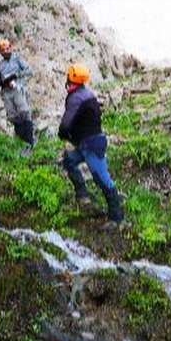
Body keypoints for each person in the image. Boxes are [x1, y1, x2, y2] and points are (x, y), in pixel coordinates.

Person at [58, 63, 125, 230]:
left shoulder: (75, 98)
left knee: (102, 180)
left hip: (91, 145)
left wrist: (64, 136)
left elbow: (66, 125)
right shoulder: (88, 94)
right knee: (68, 161)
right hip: (87, 143)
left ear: (71, 78)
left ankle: (116, 218)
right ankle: (83, 196)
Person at [0, 38, 35, 153]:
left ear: (11, 48)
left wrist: (16, 76)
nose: (6, 51)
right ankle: (22, 143)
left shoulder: (17, 59)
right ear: (0, 52)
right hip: (6, 92)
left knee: (24, 112)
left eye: (8, 48)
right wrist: (3, 81)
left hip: (18, 89)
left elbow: (29, 71)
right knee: (13, 116)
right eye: (3, 50)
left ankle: (30, 142)